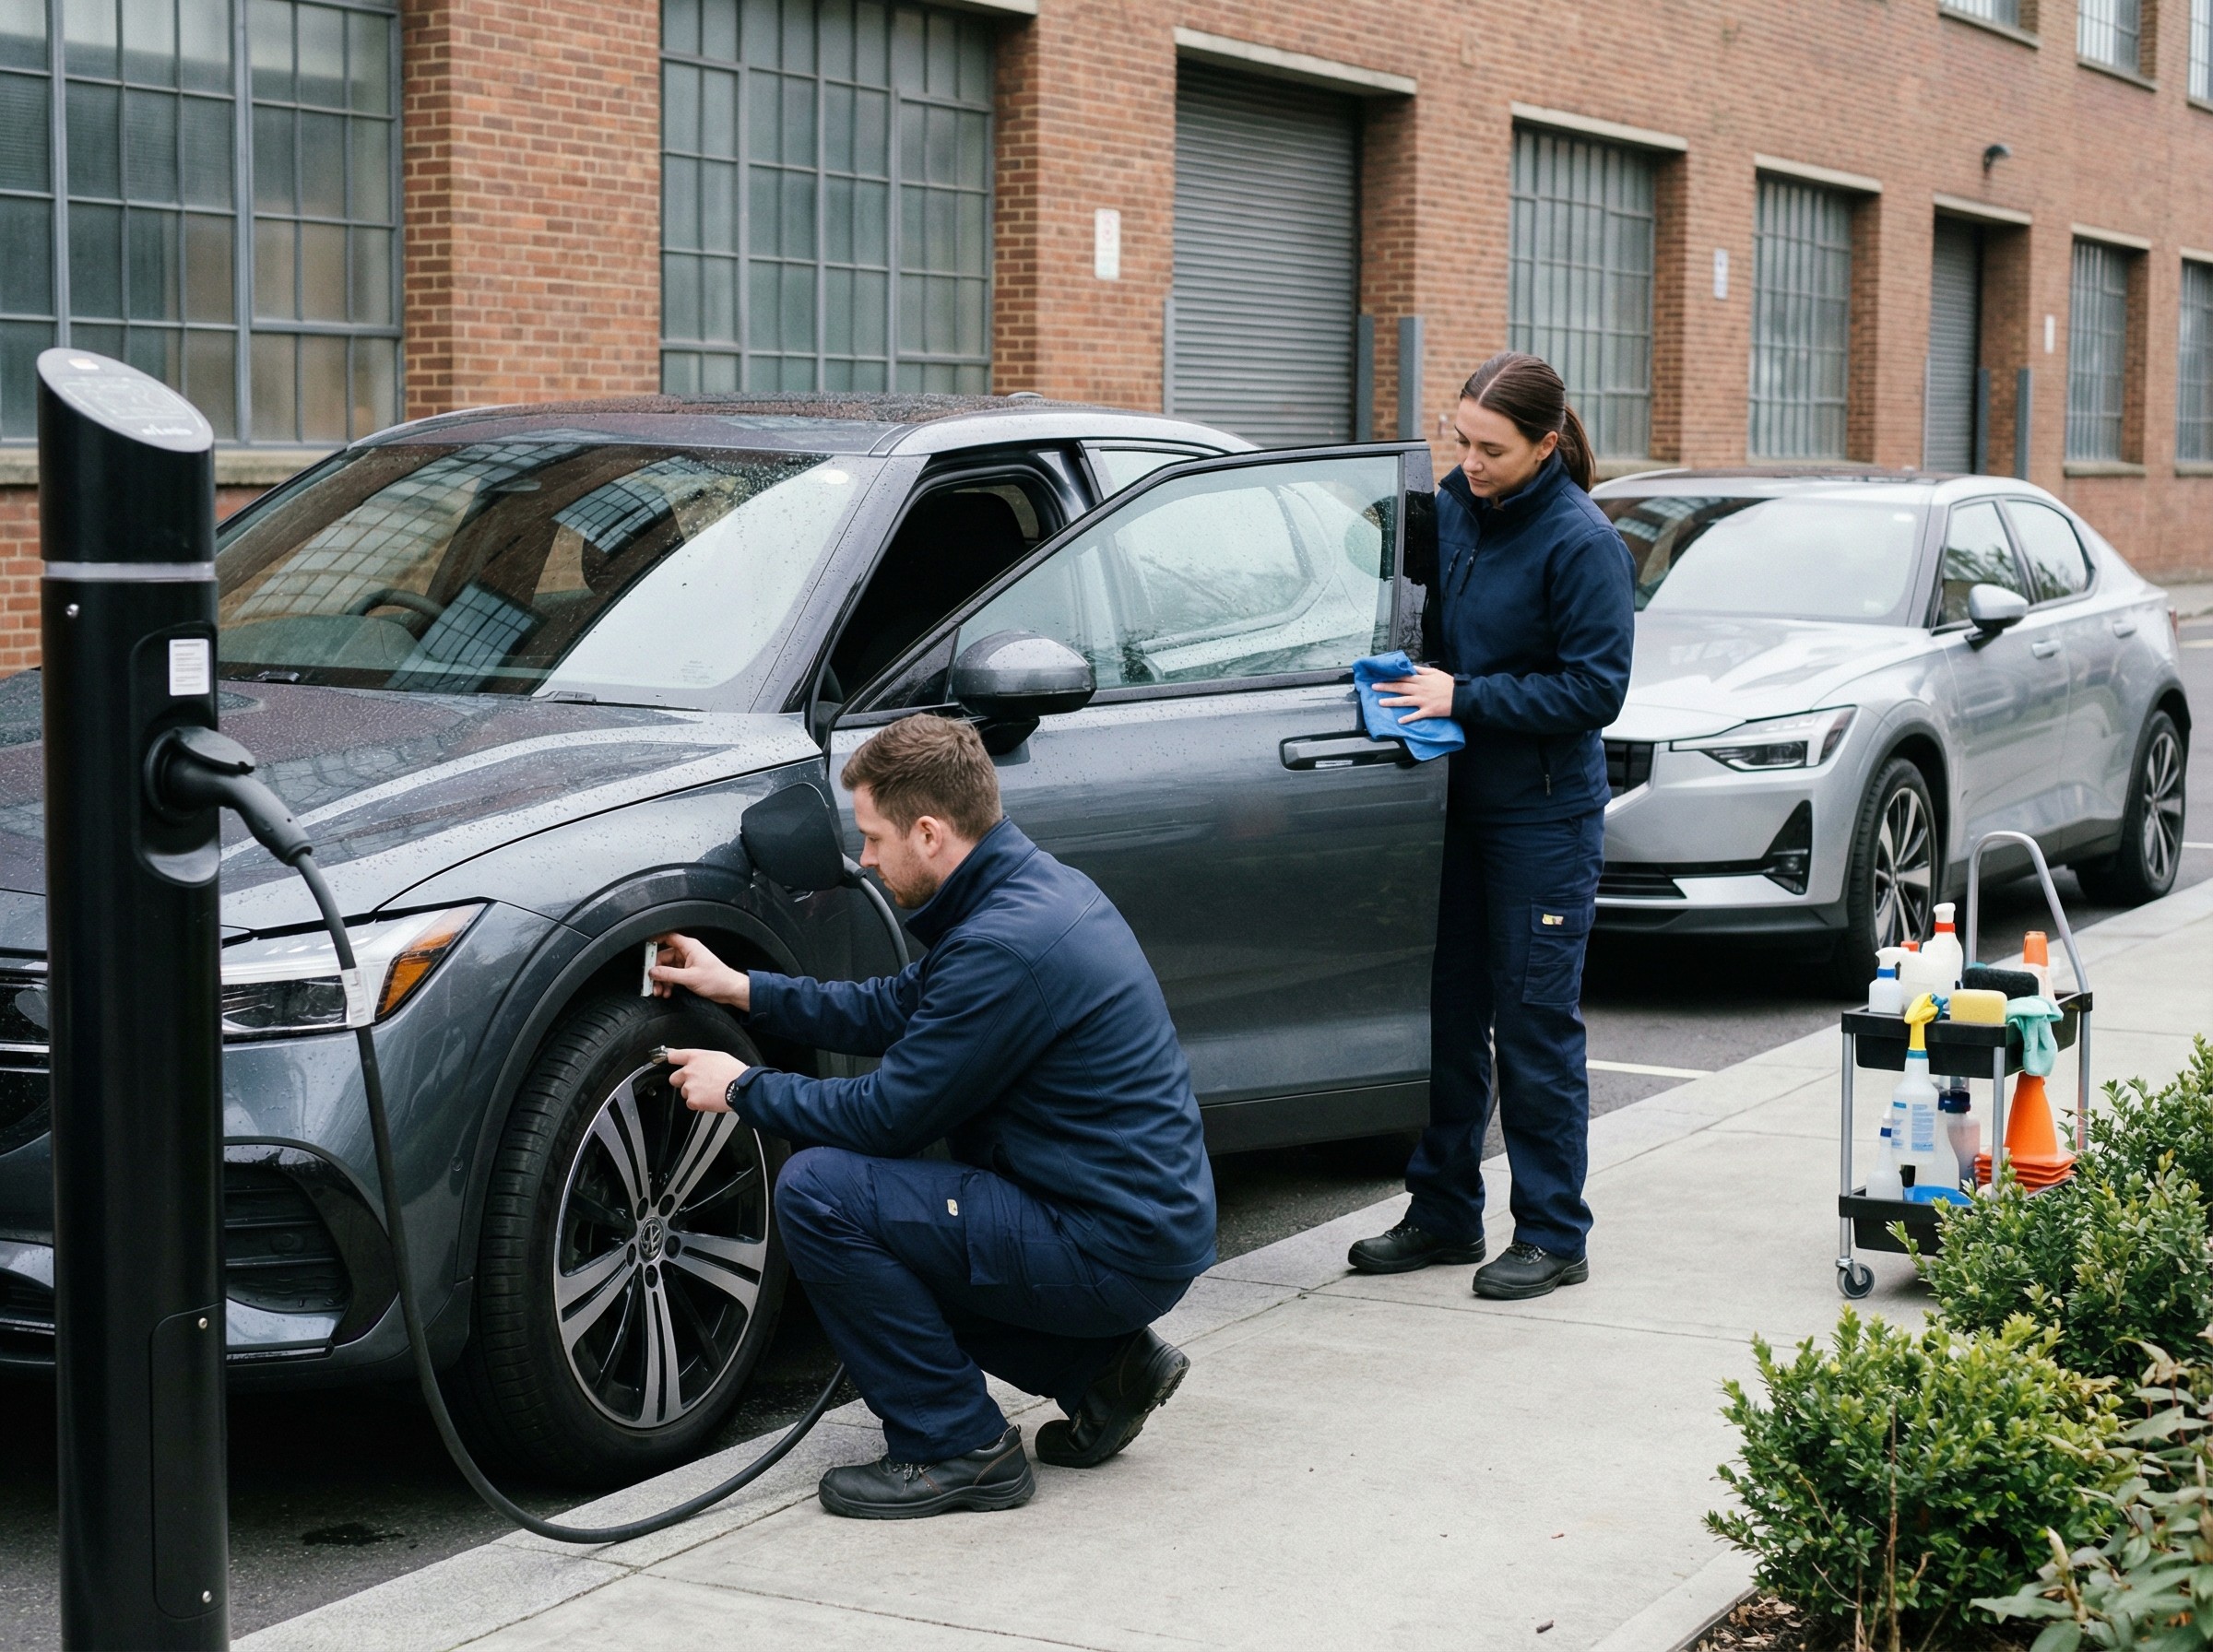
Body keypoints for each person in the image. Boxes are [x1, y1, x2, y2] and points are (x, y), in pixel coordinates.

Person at [650, 714, 1217, 1519]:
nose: (867, 860)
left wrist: (744, 1088)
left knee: (822, 1194)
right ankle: (1103, 1372)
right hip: (1126, 1227)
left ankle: (958, 1446)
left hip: (1108, 1246)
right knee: (903, 1223)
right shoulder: (1031, 892)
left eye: (875, 839)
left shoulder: (1005, 944)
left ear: (928, 832)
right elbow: (897, 1008)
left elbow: (887, 1119)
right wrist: (741, 987)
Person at [1347, 351, 1635, 1300]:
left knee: (1534, 1027)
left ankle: (1555, 1233)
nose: (1468, 461)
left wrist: (1462, 695)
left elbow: (1597, 689)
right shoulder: (1458, 505)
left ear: (1546, 445)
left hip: (1544, 819)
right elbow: (1398, 581)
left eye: (1490, 448)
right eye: (1459, 439)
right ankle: (1443, 1212)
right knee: (1450, 1016)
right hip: (1454, 806)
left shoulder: (1582, 541)